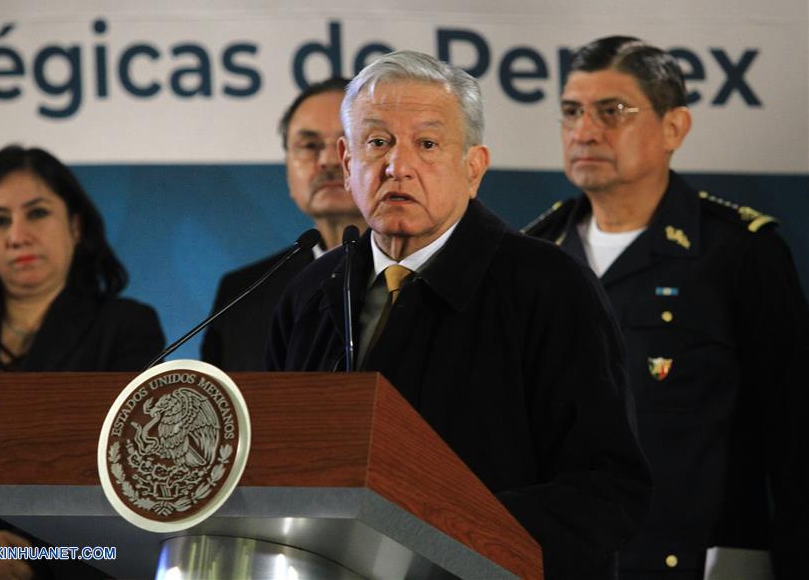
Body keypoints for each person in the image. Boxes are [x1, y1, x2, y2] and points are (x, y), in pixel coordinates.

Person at [266, 50, 652, 579]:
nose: (397, 166)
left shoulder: (548, 286)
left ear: (473, 168)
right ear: (347, 159)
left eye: (427, 144)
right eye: (377, 142)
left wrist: (440, 533)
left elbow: (606, 490)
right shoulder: (310, 290)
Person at [524, 36, 809, 579]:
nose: (584, 131)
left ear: (674, 127)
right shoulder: (536, 254)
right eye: (571, 112)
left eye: (612, 112)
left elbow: (796, 441)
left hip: (701, 564)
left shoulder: (738, 251)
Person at [0, 145, 166, 579]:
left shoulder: (127, 326)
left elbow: (129, 468)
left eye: (37, 213)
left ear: (76, 225)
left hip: (80, 565)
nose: (17, 235)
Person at [200, 77, 367, 370]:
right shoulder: (242, 294)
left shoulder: (414, 277)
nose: (328, 160)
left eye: (347, 143)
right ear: (288, 168)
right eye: (309, 145)